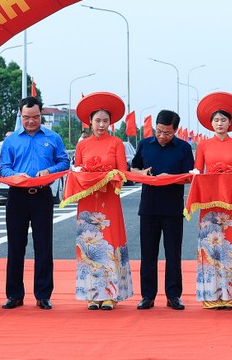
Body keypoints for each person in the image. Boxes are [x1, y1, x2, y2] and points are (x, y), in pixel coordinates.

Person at [0, 96, 70, 310]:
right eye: (27, 117)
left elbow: (64, 161)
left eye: (36, 117)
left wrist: (50, 171)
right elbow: (4, 168)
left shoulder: (53, 137)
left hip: (42, 196)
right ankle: (14, 294)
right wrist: (17, 175)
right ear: (20, 115)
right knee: (15, 247)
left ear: (41, 116)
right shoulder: (11, 141)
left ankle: (43, 295)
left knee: (43, 246)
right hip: (17, 196)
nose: (31, 121)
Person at [70, 92, 132, 310]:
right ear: (90, 122)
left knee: (109, 243)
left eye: (106, 120)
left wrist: (108, 176)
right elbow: (77, 171)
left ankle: (110, 294)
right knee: (89, 244)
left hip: (109, 200)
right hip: (87, 201)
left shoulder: (116, 143)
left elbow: (123, 173)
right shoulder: (82, 145)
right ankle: (91, 293)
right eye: (98, 120)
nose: (102, 124)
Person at [131, 109, 194, 310]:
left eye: (167, 133)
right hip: (148, 207)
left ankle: (173, 295)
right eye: (159, 131)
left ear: (175, 130)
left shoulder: (183, 148)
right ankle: (147, 296)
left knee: (173, 254)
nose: (162, 136)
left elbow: (190, 176)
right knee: (148, 254)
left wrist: (171, 178)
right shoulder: (144, 145)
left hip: (173, 208)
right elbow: (133, 169)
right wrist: (143, 173)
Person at [193, 92, 232, 309]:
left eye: (223, 120)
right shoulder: (203, 145)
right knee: (211, 245)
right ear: (211, 124)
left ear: (230, 123)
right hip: (209, 204)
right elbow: (198, 170)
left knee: (231, 246)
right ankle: (211, 294)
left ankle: (231, 295)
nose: (219, 124)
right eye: (216, 120)